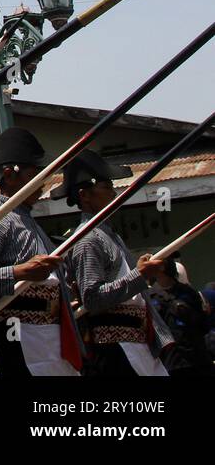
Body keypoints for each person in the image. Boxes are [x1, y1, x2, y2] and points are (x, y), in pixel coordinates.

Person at [0, 128, 82, 376]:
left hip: (50, 337)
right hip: (15, 337)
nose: (43, 183)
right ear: (9, 175)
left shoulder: (31, 223)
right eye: (36, 174)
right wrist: (19, 272)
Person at [60, 150, 172, 376]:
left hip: (138, 345)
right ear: (85, 195)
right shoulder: (87, 240)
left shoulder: (109, 235)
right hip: (117, 350)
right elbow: (92, 298)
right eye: (106, 187)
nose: (114, 193)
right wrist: (138, 275)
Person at [148, 258, 213, 376]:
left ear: (163, 267)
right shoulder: (149, 297)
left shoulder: (189, 292)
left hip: (197, 358)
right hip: (172, 361)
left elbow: (204, 326)